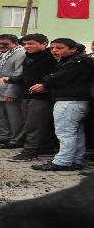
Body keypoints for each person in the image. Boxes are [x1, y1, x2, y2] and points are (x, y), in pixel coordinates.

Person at [31, 38, 94, 171]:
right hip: (76, 102)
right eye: (53, 48)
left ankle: (62, 161)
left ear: (73, 50)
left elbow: (55, 78)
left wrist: (46, 82)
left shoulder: (75, 62)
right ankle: (76, 159)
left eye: (59, 48)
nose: (54, 50)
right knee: (76, 132)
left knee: (65, 133)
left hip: (69, 102)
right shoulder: (78, 61)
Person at [0, 34, 57, 161]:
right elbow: (26, 77)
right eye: (24, 44)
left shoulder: (51, 56)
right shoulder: (28, 57)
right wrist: (10, 79)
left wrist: (45, 85)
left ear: (44, 43)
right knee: (32, 123)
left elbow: (58, 75)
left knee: (33, 125)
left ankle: (30, 151)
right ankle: (45, 147)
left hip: (42, 97)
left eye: (31, 43)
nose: (27, 46)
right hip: (26, 94)